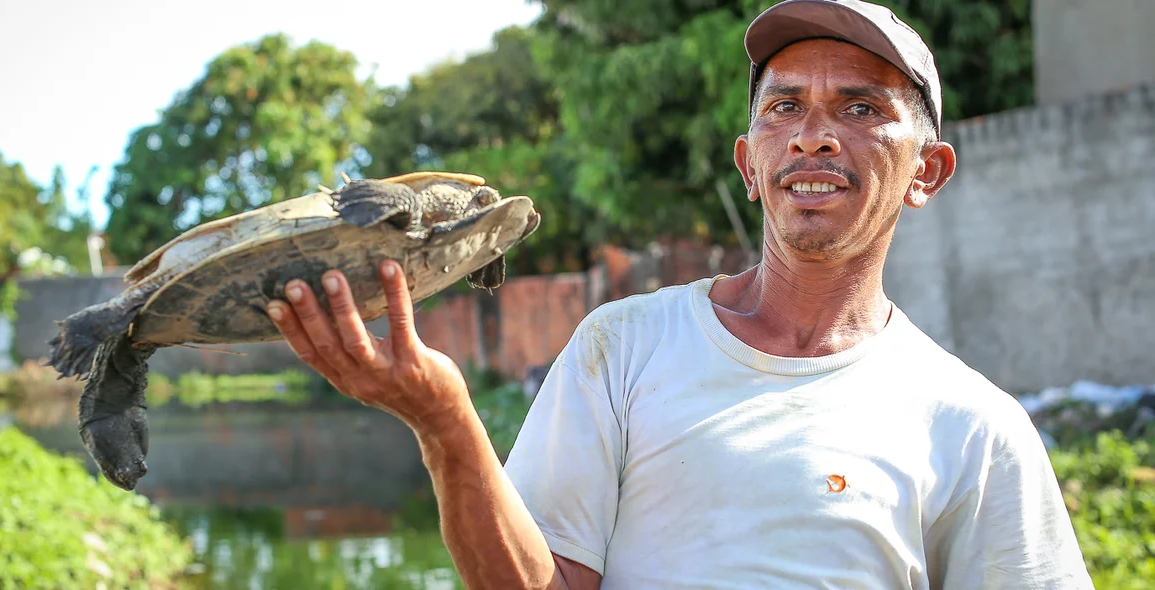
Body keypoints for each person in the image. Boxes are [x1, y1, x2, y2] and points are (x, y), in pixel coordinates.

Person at [263, 0, 1094, 587]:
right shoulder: (624, 347)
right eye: (785, 106)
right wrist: (445, 421)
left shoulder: (974, 427)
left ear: (927, 172)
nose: (812, 131)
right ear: (749, 162)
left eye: (862, 106)